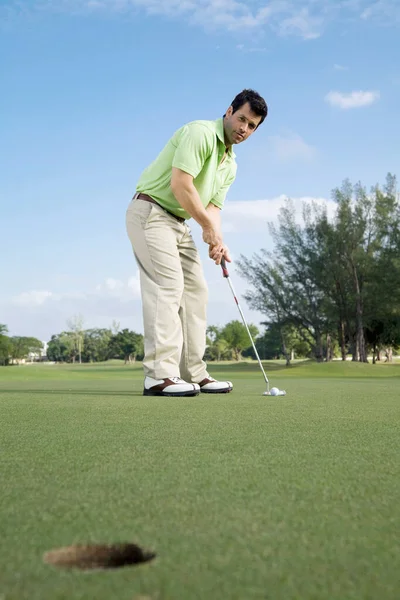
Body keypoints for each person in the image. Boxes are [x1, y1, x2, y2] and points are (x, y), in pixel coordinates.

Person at [126, 89, 268, 397]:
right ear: (229, 111)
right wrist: (206, 227)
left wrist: (217, 240)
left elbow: (213, 209)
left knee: (196, 292)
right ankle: (159, 376)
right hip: (150, 211)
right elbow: (181, 184)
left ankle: (195, 374)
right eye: (241, 119)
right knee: (168, 286)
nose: (244, 128)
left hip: (179, 223)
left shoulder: (230, 165)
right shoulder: (200, 133)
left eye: (252, 125)